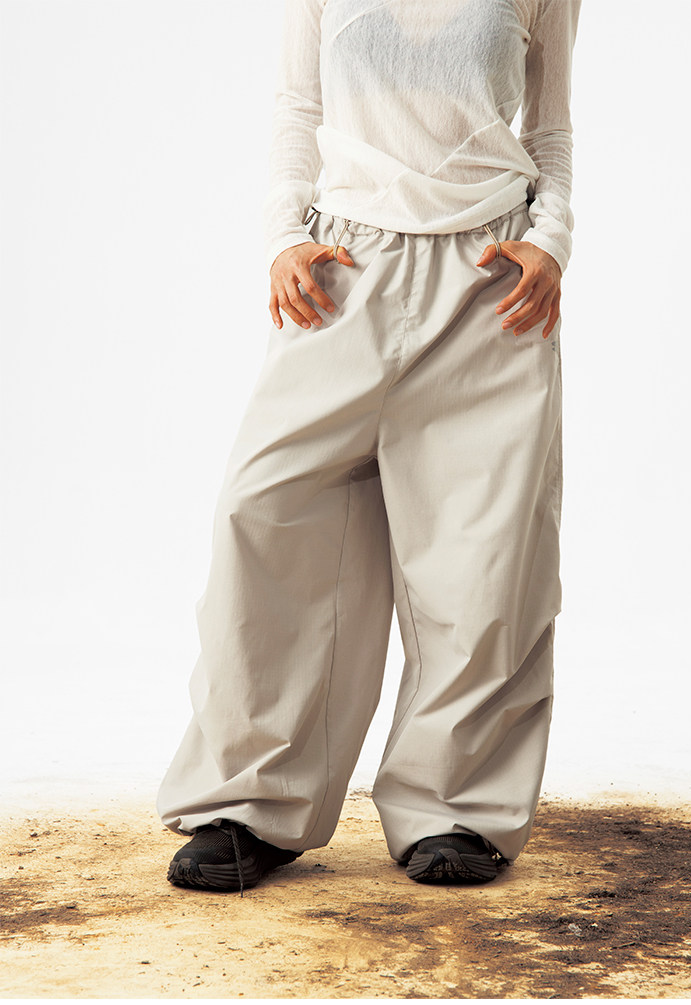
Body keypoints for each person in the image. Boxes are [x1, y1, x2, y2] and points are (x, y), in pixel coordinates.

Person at [157, 0, 582, 894]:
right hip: (340, 274)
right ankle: (252, 800)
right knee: (266, 516)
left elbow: (550, 127)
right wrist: (283, 235)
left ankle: (455, 806)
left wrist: (551, 241)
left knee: (484, 558)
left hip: (491, 283)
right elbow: (297, 107)